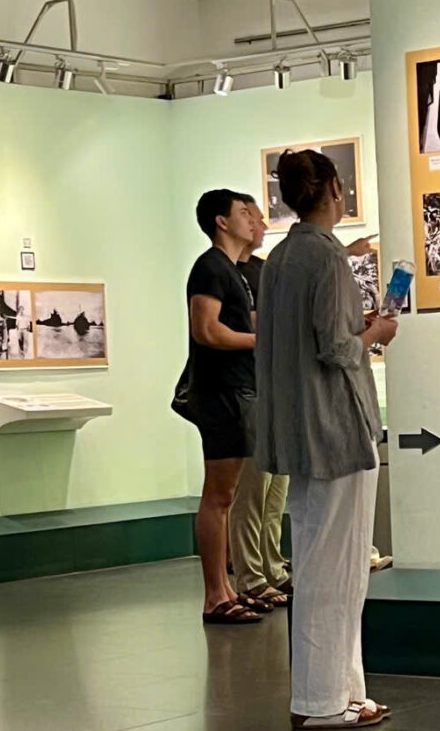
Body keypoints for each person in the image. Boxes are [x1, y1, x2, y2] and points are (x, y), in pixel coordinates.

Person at [256, 149, 397, 729]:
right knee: (333, 572)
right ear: (335, 189)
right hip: (337, 430)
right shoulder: (328, 260)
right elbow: (338, 348)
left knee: (325, 565)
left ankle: (343, 692)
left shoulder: (278, 260)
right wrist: (377, 332)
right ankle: (320, 704)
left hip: (299, 430)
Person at [186, 188, 263, 625]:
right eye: (242, 212)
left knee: (227, 495)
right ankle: (215, 594)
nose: (251, 219)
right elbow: (207, 332)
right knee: (218, 495)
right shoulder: (210, 267)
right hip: (220, 392)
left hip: (237, 389)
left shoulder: (232, 271)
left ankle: (227, 588)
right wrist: (260, 342)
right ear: (221, 221)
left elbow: (242, 322)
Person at [227, 194, 292, 611]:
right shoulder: (225, 274)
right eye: (249, 215)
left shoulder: (262, 269)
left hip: (272, 387)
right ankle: (250, 575)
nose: (260, 224)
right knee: (251, 490)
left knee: (275, 489)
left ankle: (274, 567)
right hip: (246, 388)